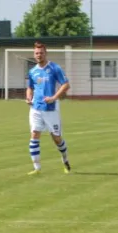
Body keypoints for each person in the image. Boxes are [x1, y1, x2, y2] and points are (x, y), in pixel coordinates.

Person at [26, 41, 71, 175]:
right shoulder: (32, 71)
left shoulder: (54, 68)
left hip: (51, 109)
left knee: (56, 138)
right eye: (36, 53)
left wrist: (54, 97)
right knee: (34, 135)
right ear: (34, 55)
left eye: (41, 53)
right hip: (36, 108)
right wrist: (29, 97)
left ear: (46, 53)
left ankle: (65, 159)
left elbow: (66, 85)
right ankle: (37, 168)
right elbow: (30, 87)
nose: (39, 55)